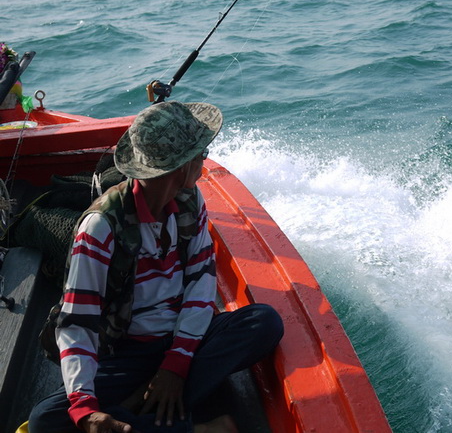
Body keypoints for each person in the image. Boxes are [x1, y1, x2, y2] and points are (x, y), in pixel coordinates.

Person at [29, 101, 284, 433]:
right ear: (179, 167)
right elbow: (78, 320)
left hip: (184, 339)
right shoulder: (100, 226)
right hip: (127, 351)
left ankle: (137, 414)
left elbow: (201, 284)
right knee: (45, 421)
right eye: (201, 154)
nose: (204, 162)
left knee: (264, 322)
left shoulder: (192, 201)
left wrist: (175, 365)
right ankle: (188, 425)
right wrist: (85, 407)